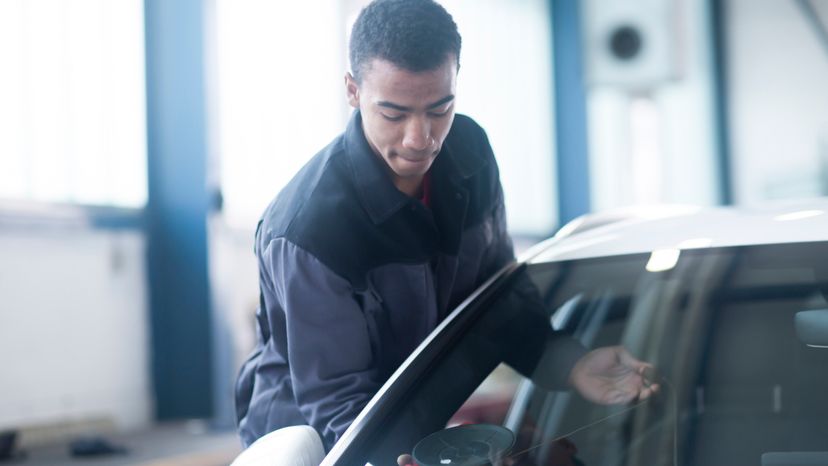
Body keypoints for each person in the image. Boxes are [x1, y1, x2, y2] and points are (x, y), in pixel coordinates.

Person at [234, 0, 657, 454]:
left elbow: (500, 299)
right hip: (313, 444)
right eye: (394, 114)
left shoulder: (469, 155)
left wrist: (572, 364)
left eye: (440, 108)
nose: (421, 138)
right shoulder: (309, 230)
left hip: (415, 423)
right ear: (353, 91)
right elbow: (340, 404)